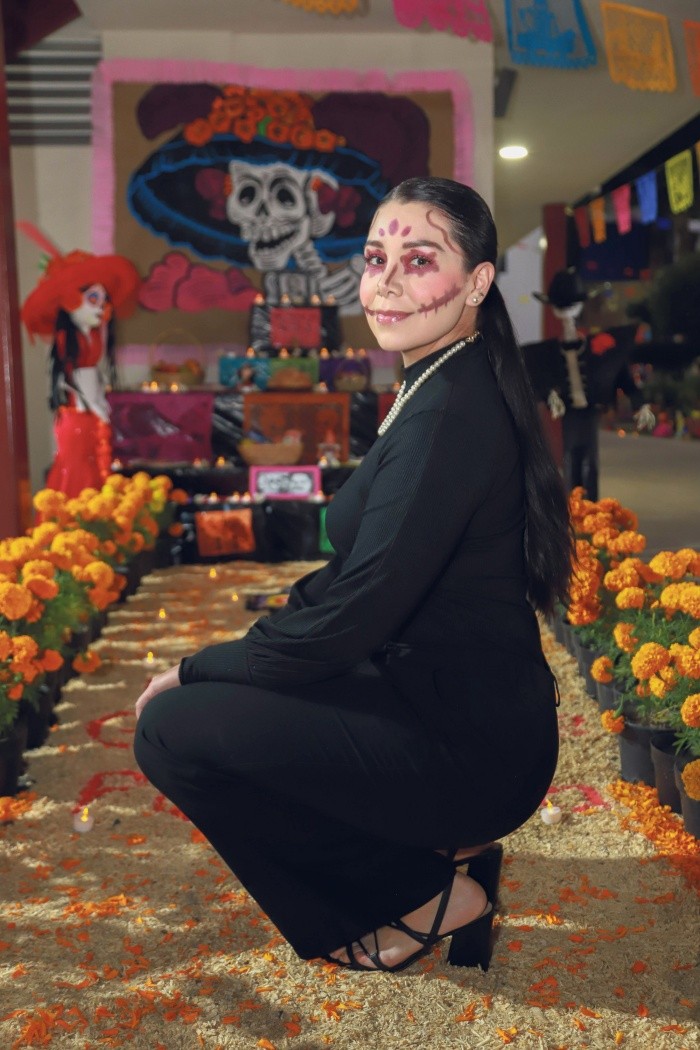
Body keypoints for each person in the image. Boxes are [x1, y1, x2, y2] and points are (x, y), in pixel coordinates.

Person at [133, 177, 572, 974]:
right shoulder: (439, 376)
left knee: (171, 731)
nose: (387, 282)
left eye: (419, 260)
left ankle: (421, 893)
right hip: (435, 696)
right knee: (238, 693)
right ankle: (428, 851)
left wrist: (198, 668)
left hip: (471, 749)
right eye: (375, 260)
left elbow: (351, 616)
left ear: (477, 282)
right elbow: (349, 581)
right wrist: (244, 652)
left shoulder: (449, 411)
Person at [524, 269, 654, 501]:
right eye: (561, 306)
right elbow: (539, 379)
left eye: (570, 305)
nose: (567, 312)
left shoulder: (602, 349)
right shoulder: (548, 353)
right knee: (571, 457)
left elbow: (622, 376)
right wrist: (549, 394)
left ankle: (590, 506)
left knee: (589, 460)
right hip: (570, 413)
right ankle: (574, 505)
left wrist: (641, 403)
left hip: (591, 410)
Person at [21, 247, 140, 496]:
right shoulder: (68, 339)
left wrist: (98, 403)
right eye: (93, 298)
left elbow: (90, 375)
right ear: (70, 299)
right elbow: (75, 377)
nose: (101, 306)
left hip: (89, 414)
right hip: (78, 416)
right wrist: (94, 405)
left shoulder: (92, 336)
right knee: (78, 476)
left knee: (93, 472)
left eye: (104, 300)